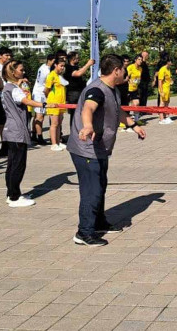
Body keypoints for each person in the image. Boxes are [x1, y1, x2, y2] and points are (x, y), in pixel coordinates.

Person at [68, 54, 147, 247]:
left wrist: (133, 125)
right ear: (116, 70)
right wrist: (87, 126)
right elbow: (88, 109)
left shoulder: (113, 90)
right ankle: (84, 233)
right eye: (123, 69)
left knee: (100, 186)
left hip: (100, 148)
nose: (125, 72)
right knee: (91, 191)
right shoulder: (97, 90)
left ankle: (99, 222)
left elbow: (117, 110)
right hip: (86, 149)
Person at [2, 60, 46, 207]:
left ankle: (12, 193)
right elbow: (26, 101)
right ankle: (14, 197)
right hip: (16, 131)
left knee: (12, 164)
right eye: (21, 70)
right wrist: (43, 104)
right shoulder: (12, 88)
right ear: (13, 72)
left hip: (12, 130)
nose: (23, 72)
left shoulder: (11, 87)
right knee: (17, 165)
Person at [63, 52, 95, 126]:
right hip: (73, 93)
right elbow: (78, 74)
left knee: (81, 113)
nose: (78, 59)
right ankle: (73, 133)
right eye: (77, 58)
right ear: (72, 59)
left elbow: (81, 71)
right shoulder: (68, 67)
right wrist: (88, 64)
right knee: (74, 114)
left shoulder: (76, 67)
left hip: (80, 92)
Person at [45, 58, 68, 151]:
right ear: (55, 65)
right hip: (53, 103)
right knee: (54, 124)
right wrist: (50, 101)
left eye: (63, 66)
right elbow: (46, 90)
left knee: (59, 123)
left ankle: (58, 142)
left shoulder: (60, 76)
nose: (62, 68)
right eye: (61, 66)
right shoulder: (51, 76)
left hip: (61, 103)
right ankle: (53, 143)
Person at [32, 54, 55, 145]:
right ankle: (39, 136)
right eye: (53, 61)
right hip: (41, 93)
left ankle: (34, 134)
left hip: (38, 91)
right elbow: (44, 85)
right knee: (40, 116)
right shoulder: (46, 71)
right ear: (49, 60)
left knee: (37, 115)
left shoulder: (43, 66)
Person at [126, 54, 143, 124]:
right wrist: (129, 81)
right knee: (126, 105)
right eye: (139, 59)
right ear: (135, 60)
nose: (140, 61)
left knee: (136, 103)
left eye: (141, 60)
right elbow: (126, 77)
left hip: (135, 88)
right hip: (128, 89)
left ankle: (136, 119)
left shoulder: (140, 69)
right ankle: (124, 121)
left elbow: (139, 78)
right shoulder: (130, 67)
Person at [157, 57, 174, 125]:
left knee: (167, 102)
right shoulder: (162, 69)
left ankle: (165, 116)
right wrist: (161, 91)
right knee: (162, 103)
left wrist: (171, 81)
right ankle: (161, 119)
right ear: (168, 62)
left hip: (167, 88)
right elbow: (160, 81)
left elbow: (169, 78)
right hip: (163, 89)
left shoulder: (168, 69)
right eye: (171, 61)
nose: (172, 63)